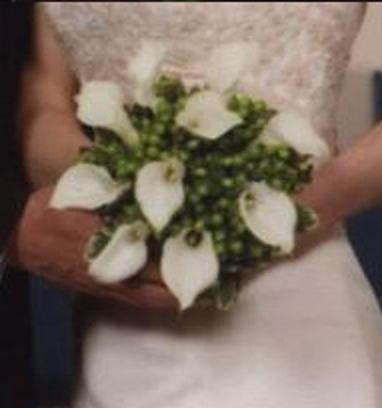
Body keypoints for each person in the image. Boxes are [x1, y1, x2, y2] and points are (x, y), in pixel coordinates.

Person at [11, 3, 382, 407]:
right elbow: (44, 99)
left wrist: (288, 211)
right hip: (128, 304)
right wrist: (124, 185)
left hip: (300, 299)